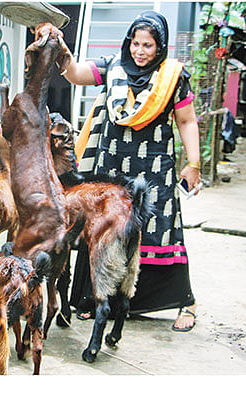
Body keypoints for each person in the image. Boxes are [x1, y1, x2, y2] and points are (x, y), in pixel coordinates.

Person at [60, 11, 200, 332]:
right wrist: (60, 51)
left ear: (159, 46)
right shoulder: (114, 67)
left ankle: (185, 302)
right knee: (103, 229)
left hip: (154, 170)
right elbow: (75, 74)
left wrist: (193, 164)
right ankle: (94, 299)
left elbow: (187, 121)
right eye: (135, 43)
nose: (139, 51)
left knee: (159, 228)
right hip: (112, 170)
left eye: (148, 45)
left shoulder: (173, 76)